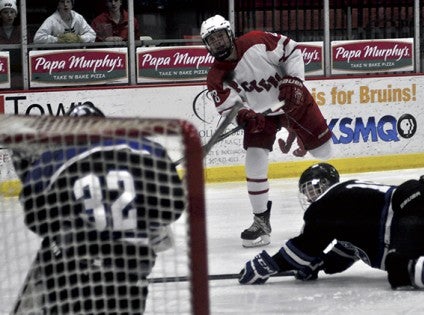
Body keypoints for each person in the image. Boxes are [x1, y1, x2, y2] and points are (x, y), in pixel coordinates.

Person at [12, 103, 185, 314]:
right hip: (130, 272)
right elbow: (173, 208)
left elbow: (36, 220)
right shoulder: (148, 149)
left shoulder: (54, 157)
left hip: (72, 273)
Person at [200, 15, 333, 248]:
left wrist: (294, 80)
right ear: (207, 46)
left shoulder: (256, 41)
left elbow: (292, 51)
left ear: (230, 34)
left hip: (293, 100)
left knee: (324, 152)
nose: (218, 43)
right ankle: (261, 222)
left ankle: (334, 202)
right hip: (261, 116)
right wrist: (244, 116)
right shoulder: (216, 76)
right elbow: (227, 107)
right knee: (254, 158)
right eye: (212, 40)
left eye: (221, 36)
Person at [238, 162, 424, 290]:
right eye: (307, 192)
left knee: (398, 268)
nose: (311, 196)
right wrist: (318, 264)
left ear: (328, 183)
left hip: (414, 203)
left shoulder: (330, 201)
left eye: (313, 188)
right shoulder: (348, 211)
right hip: (423, 205)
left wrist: (268, 265)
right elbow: (346, 253)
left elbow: (304, 247)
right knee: (405, 257)